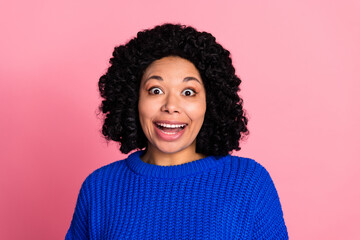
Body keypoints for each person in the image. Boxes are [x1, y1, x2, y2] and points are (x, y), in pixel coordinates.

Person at [65, 23, 289, 239]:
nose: (171, 105)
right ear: (134, 99)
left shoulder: (249, 182)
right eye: (155, 90)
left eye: (189, 92)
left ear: (209, 104)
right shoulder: (99, 187)